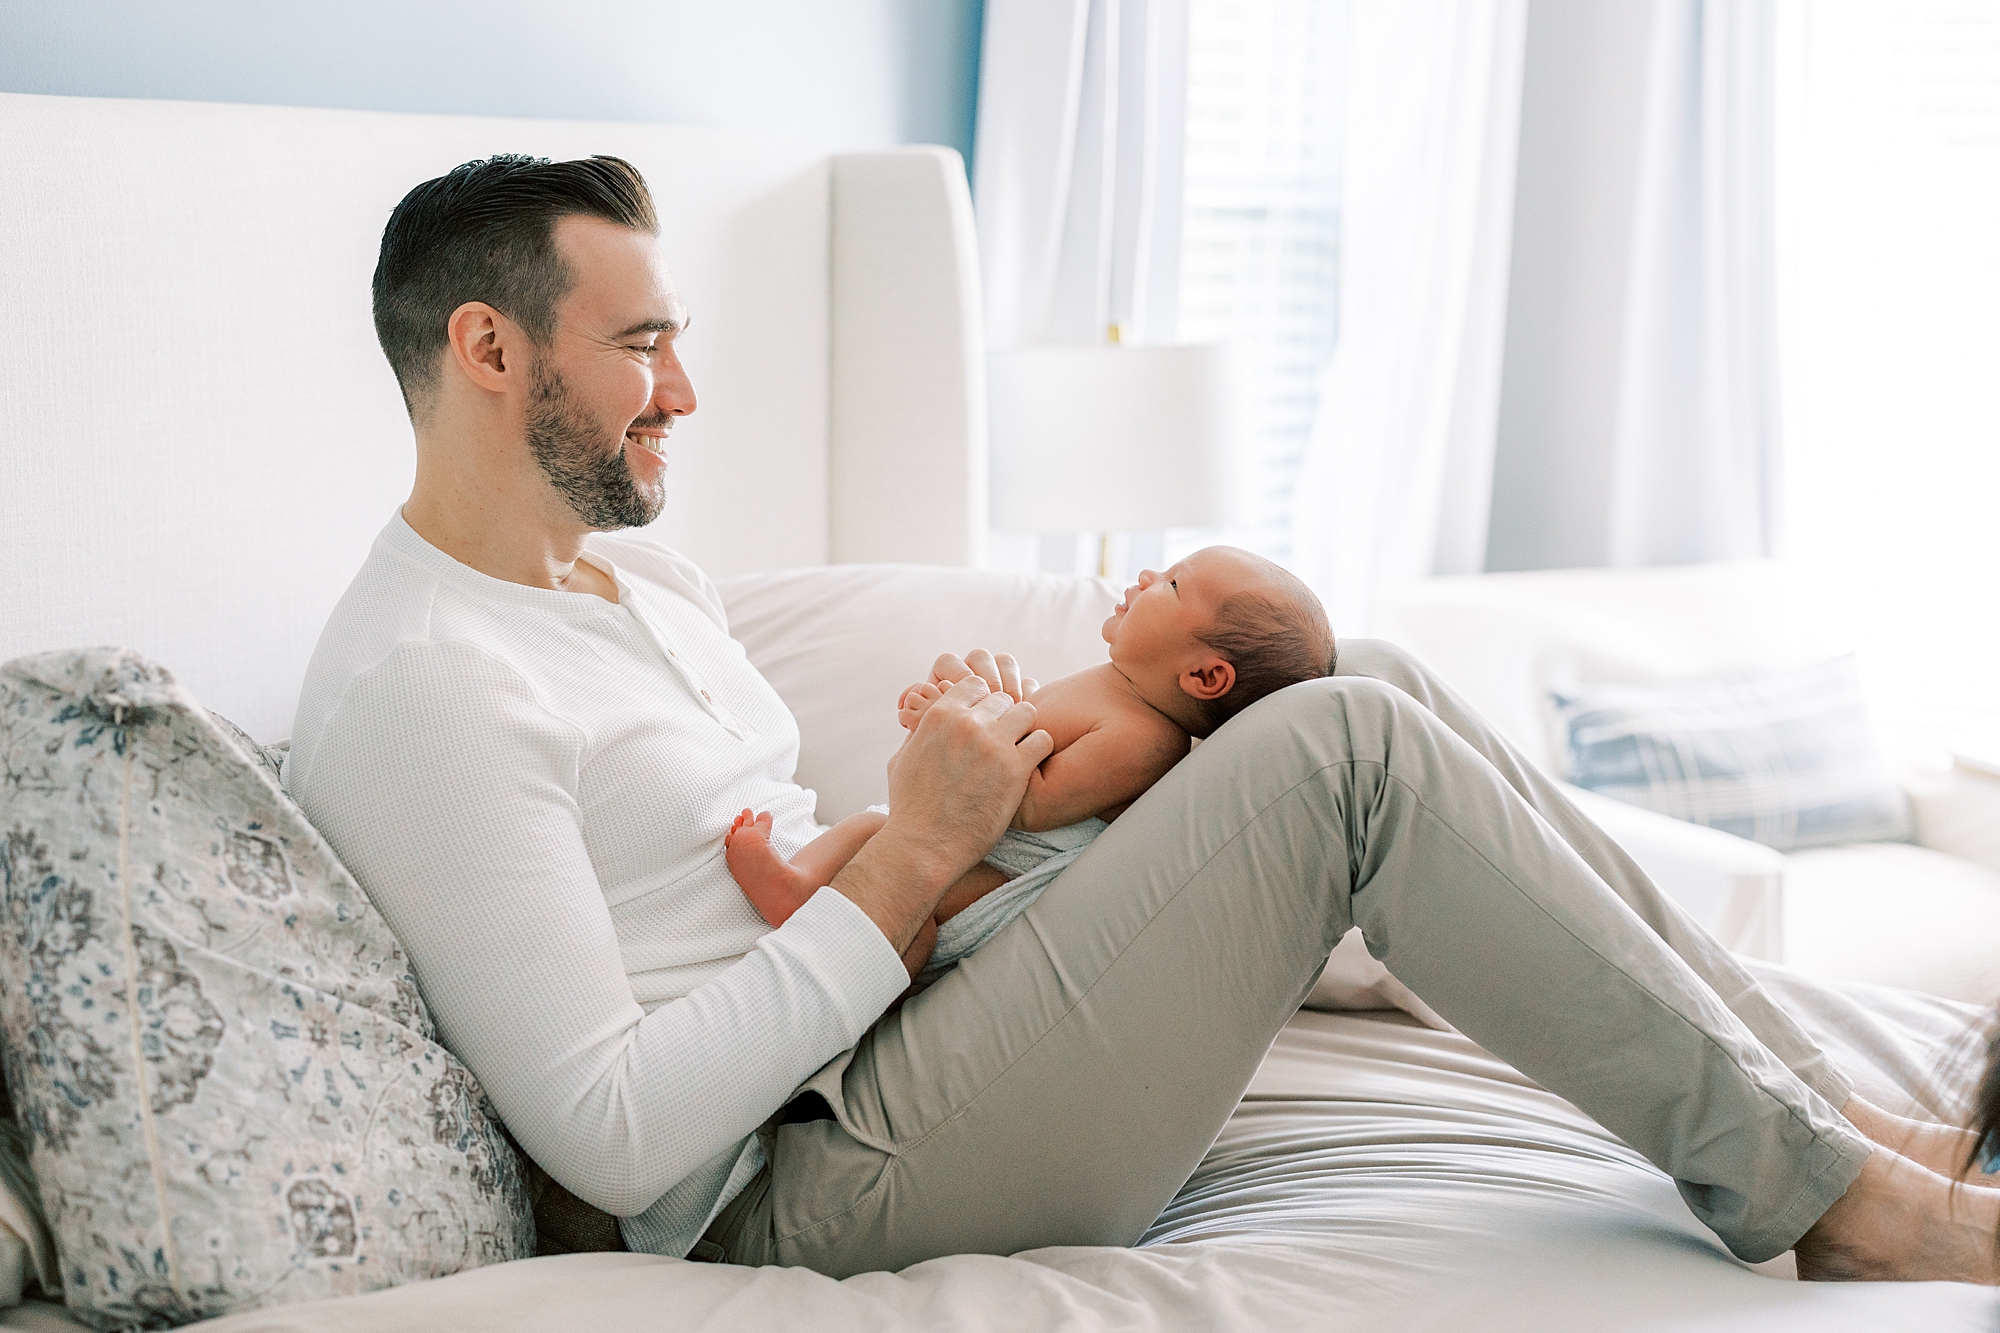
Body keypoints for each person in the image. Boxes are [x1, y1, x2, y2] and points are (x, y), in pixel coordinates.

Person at [285, 152, 2000, 1284]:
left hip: (898, 1038)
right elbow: (612, 1134)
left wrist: (943, 847)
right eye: (641, 343)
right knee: (1346, 751)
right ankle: (1847, 1203)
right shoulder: (430, 682)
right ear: (491, 351)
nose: (686, 390)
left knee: (1364, 679)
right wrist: (920, 861)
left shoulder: (641, 584)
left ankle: (1804, 1100)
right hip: (790, 1181)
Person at [723, 546, 1335, 985]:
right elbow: (1023, 733)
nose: (1148, 574)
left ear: (1204, 675)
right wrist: (954, 712)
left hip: (1004, 866)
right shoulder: (1114, 686)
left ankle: (851, 1008)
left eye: (1173, 585)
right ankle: (799, 883)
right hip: (971, 832)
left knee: (916, 918)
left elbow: (1039, 804)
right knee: (864, 830)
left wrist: (968, 742)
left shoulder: (1147, 740)